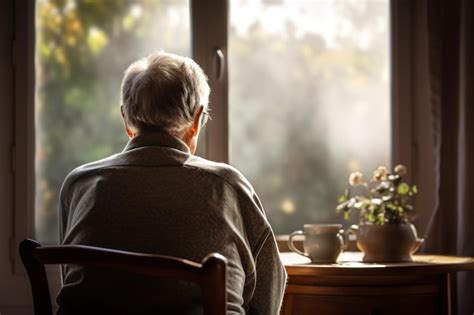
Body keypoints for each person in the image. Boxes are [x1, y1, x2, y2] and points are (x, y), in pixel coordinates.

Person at [57, 51, 287, 314]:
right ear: (197, 121)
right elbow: (267, 296)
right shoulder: (227, 187)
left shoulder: (78, 185)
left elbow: (75, 285)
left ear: (126, 121)